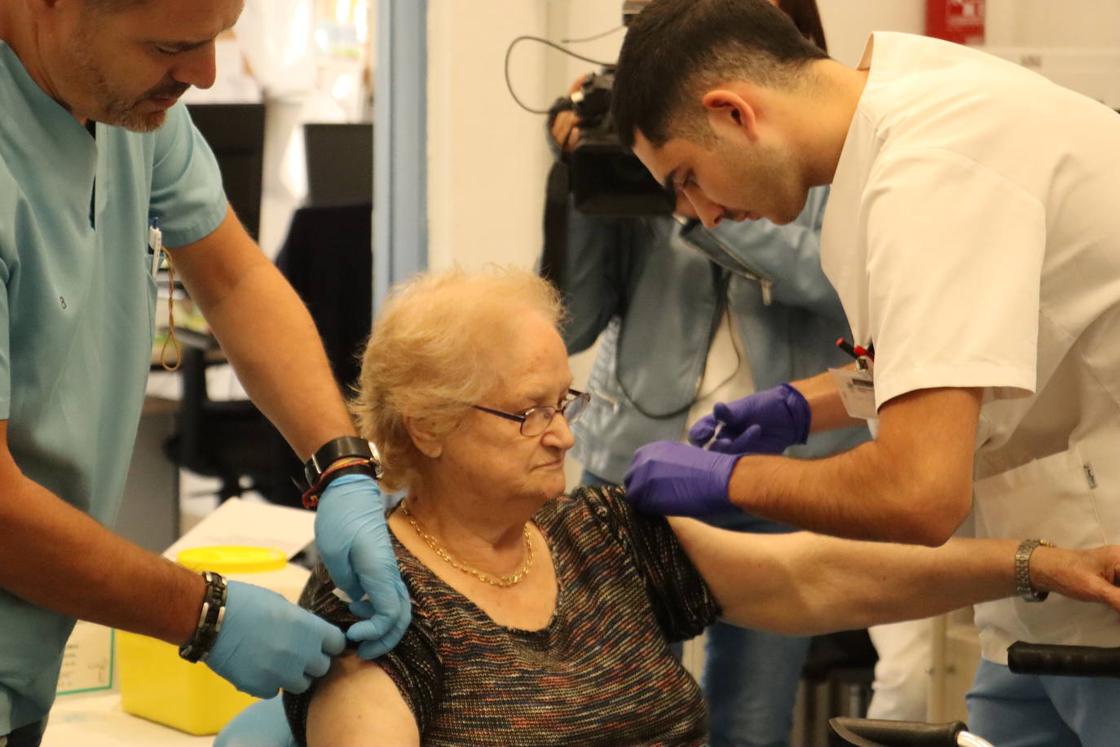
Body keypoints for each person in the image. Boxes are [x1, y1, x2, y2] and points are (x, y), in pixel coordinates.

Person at [272, 266, 1120, 747]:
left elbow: (809, 576)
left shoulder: (595, 533)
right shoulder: (373, 601)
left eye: (565, 404)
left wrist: (1035, 562)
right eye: (528, 412)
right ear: (426, 427)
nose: (562, 438)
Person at [610, 0, 1120, 743]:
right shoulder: (908, 101)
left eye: (687, 177)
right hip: (1049, 581)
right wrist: (801, 405)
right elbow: (961, 351)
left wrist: (728, 480)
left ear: (733, 113)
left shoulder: (927, 172)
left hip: (1100, 576)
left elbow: (919, 494)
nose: (704, 215)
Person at [0, 2, 407, 744]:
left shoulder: (122, 103)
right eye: (171, 46)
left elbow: (233, 281)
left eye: (219, 35)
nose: (207, 74)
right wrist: (204, 613)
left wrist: (342, 464)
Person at [543, 6, 872, 742]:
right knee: (619, 718)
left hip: (781, 473)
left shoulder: (832, 140)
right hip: (632, 466)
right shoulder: (653, 136)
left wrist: (697, 204)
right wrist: (585, 172)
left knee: (750, 725)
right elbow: (576, 319)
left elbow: (831, 286)